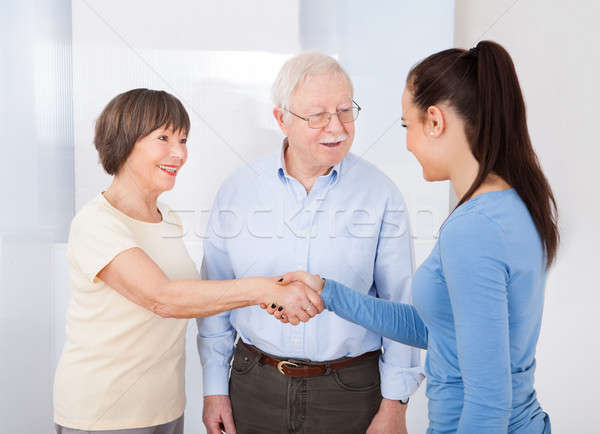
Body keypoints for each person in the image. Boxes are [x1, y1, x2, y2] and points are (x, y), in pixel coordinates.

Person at [274, 41, 558, 434]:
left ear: (436, 122)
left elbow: (489, 401)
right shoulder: (513, 204)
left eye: (407, 126)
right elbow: (439, 329)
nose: (407, 143)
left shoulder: (473, 229)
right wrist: (328, 292)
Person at [53, 89, 321, 434]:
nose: (178, 153)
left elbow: (195, 294)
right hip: (105, 413)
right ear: (124, 139)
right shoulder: (97, 223)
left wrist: (274, 287)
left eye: (183, 139)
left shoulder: (166, 217)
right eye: (163, 138)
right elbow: (163, 298)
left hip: (163, 408)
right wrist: (262, 290)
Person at [197, 52, 423, 434]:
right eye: (317, 115)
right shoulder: (238, 190)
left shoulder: (381, 194)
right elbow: (216, 298)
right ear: (281, 119)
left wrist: (395, 406)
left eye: (345, 110)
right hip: (254, 385)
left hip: (351, 390)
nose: (336, 127)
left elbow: (400, 306)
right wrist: (214, 389)